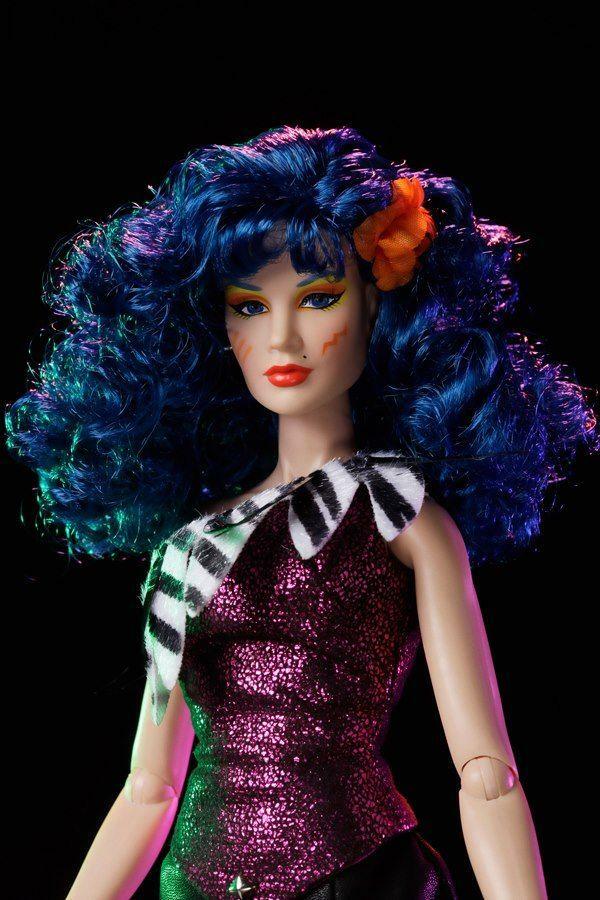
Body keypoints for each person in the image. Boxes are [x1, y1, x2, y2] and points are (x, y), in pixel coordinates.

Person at [6, 126, 596, 898]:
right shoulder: (188, 547)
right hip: (195, 884)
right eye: (250, 306)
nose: (282, 337)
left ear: (379, 306)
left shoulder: (399, 514)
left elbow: (486, 772)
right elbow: (148, 787)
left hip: (356, 878)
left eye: (319, 298)